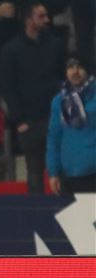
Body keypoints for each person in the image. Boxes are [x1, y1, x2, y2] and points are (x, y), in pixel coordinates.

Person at [0, 1, 65, 193]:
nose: (47, 20)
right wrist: (19, 120)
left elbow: (64, 77)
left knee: (62, 170)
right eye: (41, 16)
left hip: (56, 118)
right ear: (28, 20)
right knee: (34, 173)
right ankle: (37, 217)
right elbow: (8, 87)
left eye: (46, 15)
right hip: (30, 121)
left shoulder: (56, 45)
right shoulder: (11, 50)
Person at [46, 56, 96, 195]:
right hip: (70, 173)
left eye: (79, 67)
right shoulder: (58, 101)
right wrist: (53, 172)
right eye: (70, 67)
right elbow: (54, 138)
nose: (75, 71)